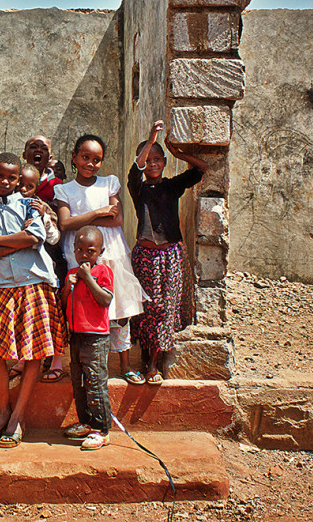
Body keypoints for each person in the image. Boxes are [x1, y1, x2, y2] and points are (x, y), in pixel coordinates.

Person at [0, 153, 64, 448]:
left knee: (33, 353)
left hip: (34, 284)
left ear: (18, 180)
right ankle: (4, 411)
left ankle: (17, 418)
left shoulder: (28, 205)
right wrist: (15, 241)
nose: (6, 182)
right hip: (5, 288)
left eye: (12, 178)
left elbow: (34, 239)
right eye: (1, 176)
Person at [53, 134, 146, 385]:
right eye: (85, 157)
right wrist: (97, 212)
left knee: (118, 308)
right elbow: (65, 222)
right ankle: (85, 365)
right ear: (74, 157)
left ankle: (124, 364)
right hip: (80, 254)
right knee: (83, 305)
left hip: (112, 251)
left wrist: (82, 218)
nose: (91, 164)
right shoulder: (63, 189)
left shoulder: (109, 183)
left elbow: (116, 220)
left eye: (97, 159)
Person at [128, 120, 208, 384]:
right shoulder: (138, 188)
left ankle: (153, 364)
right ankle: (142, 360)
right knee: (144, 307)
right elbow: (134, 171)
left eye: (157, 159)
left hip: (170, 255)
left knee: (164, 308)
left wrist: (177, 154)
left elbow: (202, 168)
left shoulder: (172, 186)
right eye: (148, 159)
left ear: (163, 161)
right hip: (145, 255)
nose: (152, 163)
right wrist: (151, 138)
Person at [7, 163, 67, 383]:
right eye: (20, 184)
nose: (23, 189)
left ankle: (57, 360)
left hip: (45, 272)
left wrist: (42, 217)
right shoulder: (6, 206)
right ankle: (26, 358)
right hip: (22, 274)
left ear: (36, 188)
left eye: (29, 186)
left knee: (52, 318)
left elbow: (53, 238)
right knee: (26, 318)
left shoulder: (42, 207)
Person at [61, 226, 114, 450]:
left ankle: (101, 429)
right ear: (73, 250)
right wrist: (67, 285)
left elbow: (105, 300)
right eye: (80, 250)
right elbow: (64, 302)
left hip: (96, 336)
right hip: (76, 334)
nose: (84, 254)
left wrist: (87, 278)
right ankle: (85, 422)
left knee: (95, 382)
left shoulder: (103, 272)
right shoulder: (72, 273)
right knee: (79, 381)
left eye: (90, 250)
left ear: (100, 251)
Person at [22, 135, 65, 204]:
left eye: (44, 148)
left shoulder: (57, 185)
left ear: (50, 158)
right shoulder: (15, 180)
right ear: (24, 155)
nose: (38, 150)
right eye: (33, 147)